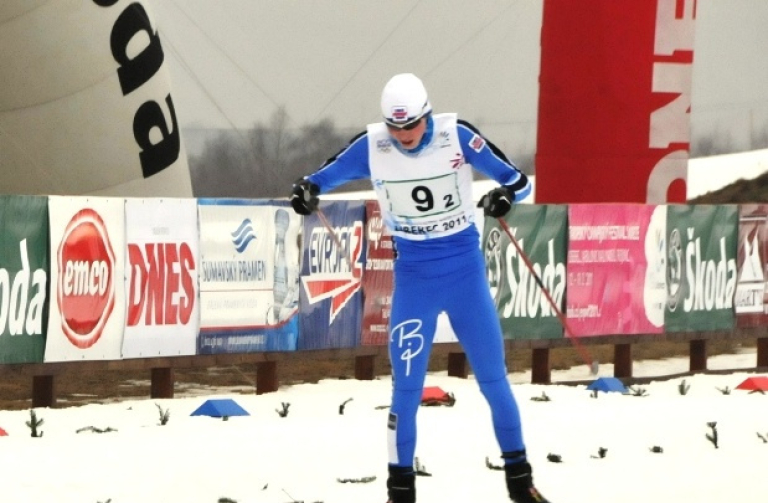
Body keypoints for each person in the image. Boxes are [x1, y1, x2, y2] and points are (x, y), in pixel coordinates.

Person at [289, 73, 551, 503]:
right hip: (414, 279)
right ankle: (400, 491)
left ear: (426, 114)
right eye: (396, 128)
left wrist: (504, 197)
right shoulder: (373, 145)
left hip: (464, 275)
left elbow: (520, 182)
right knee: (406, 390)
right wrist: (305, 191)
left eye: (411, 126)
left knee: (493, 381)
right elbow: (318, 179)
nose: (404, 137)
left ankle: (521, 483)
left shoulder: (456, 135)